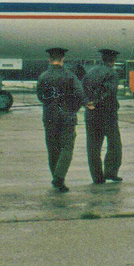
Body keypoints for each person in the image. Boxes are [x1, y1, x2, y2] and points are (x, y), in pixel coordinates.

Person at [36, 47, 84, 192]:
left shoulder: (43, 76)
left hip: (50, 116)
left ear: (49, 59)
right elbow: (79, 94)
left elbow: (40, 96)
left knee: (52, 149)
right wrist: (73, 109)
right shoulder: (70, 75)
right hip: (67, 116)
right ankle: (59, 178)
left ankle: (56, 177)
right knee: (67, 147)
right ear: (63, 59)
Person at [83, 48, 122, 184]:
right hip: (107, 114)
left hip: (91, 113)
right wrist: (98, 102)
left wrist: (89, 103)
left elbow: (83, 89)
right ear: (113, 60)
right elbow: (110, 93)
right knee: (115, 144)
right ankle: (111, 172)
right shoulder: (111, 74)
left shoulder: (90, 72)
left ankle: (97, 177)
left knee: (93, 146)